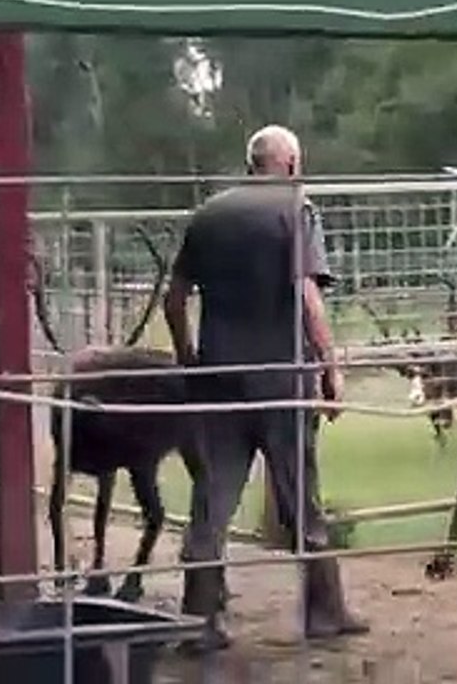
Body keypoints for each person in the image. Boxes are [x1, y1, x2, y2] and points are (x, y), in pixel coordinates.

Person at [163, 124, 368, 652]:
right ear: (293, 163)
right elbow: (306, 294)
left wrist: (190, 359)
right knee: (300, 494)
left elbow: (174, 297)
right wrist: (330, 367)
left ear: (251, 161)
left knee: (212, 497)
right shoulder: (295, 209)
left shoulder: (209, 214)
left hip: (220, 378)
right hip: (281, 379)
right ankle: (324, 610)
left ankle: (202, 619)